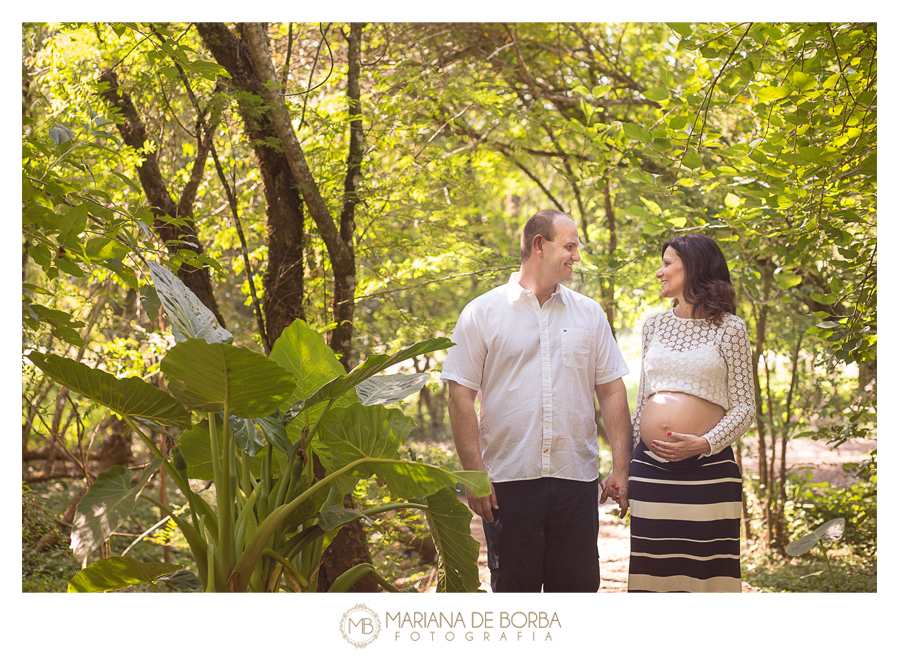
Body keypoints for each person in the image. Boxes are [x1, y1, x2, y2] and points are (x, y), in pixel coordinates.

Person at [440, 209, 633, 593]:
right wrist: (474, 475)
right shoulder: (482, 312)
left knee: (576, 593)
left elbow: (611, 390)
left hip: (576, 480)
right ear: (539, 246)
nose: (577, 256)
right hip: (509, 482)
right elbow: (460, 396)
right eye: (570, 246)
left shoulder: (590, 314)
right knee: (516, 597)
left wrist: (621, 469)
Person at [627, 233, 755, 593]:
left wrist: (703, 443)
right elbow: (643, 401)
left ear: (695, 267)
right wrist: (629, 463)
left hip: (709, 471)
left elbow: (745, 407)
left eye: (668, 263)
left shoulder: (731, 329)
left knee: (708, 574)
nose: (659, 272)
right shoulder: (653, 325)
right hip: (650, 470)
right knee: (654, 573)